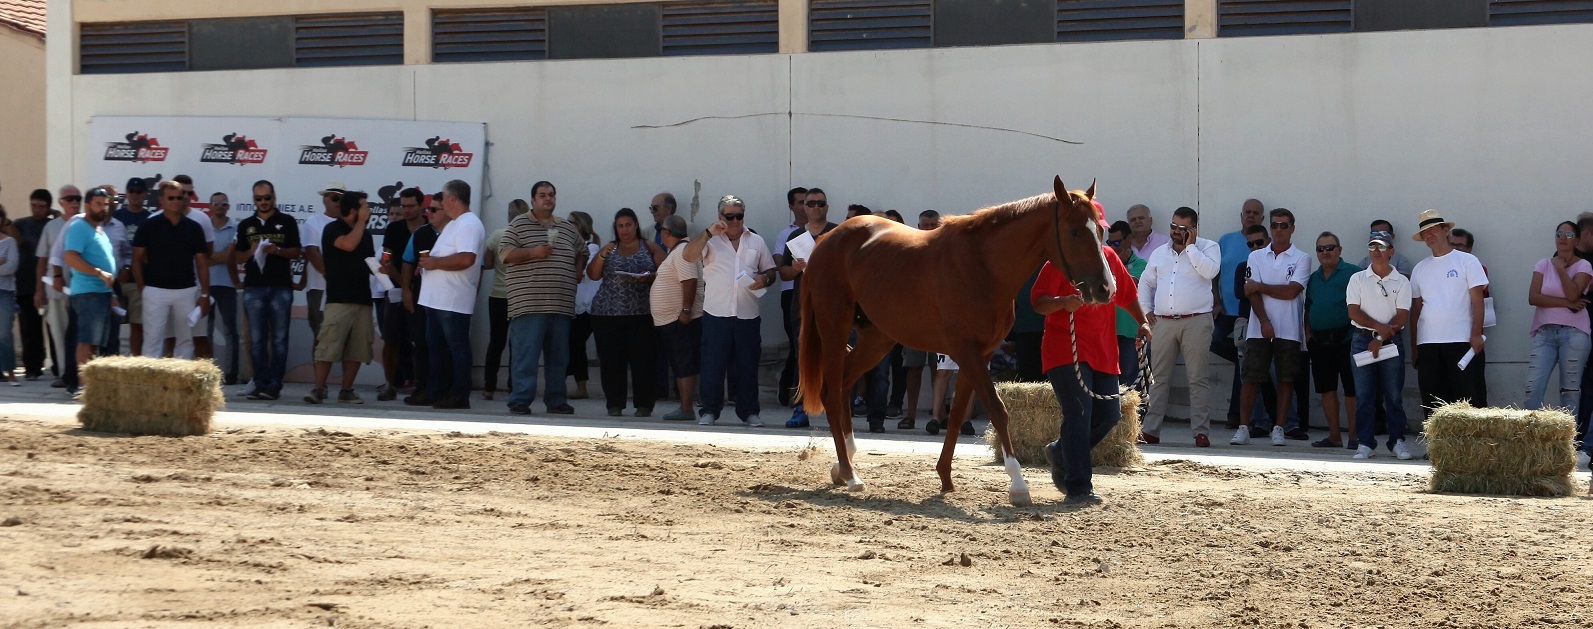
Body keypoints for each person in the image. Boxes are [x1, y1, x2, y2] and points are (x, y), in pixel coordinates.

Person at [1032, 211, 1147, 506]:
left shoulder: (1109, 257)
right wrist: (1062, 302)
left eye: (1099, 228)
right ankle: (1079, 486)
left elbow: (1127, 294)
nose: (1097, 233)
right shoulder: (1059, 261)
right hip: (1066, 350)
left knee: (1110, 415)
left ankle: (1061, 451)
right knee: (1079, 415)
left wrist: (1142, 321)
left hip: (1103, 351)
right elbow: (1038, 301)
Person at [683, 195, 776, 427]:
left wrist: (764, 279)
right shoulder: (710, 240)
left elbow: (771, 270)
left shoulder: (756, 240)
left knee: (747, 365)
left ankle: (749, 412)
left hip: (747, 314)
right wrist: (708, 233)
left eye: (739, 216)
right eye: (729, 216)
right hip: (717, 313)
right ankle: (709, 410)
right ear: (720, 216)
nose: (734, 221)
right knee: (712, 365)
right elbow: (688, 256)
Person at [1137, 206, 1221, 447]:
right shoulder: (1159, 253)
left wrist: (1191, 247)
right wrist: (1146, 310)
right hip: (1163, 322)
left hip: (1196, 321)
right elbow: (1146, 282)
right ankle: (1150, 431)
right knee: (1158, 379)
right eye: (1174, 226)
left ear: (1194, 229)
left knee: (1198, 379)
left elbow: (1210, 272)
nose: (1176, 231)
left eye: (1183, 228)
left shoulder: (1208, 247)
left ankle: (1201, 432)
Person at [500, 181, 585, 416]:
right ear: (533, 200)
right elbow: (504, 253)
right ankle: (520, 401)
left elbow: (583, 250)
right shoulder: (519, 224)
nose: (548, 198)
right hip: (529, 304)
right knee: (525, 357)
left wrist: (578, 270)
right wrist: (532, 252)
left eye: (551, 194)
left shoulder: (566, 227)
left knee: (558, 359)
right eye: (542, 195)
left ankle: (557, 400)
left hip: (561, 304)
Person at [1233, 209, 1310, 446]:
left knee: (1286, 379)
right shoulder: (1256, 257)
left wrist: (1261, 286)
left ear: (1292, 228)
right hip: (1258, 328)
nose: (1279, 230)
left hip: (1289, 328)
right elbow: (1250, 292)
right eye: (1275, 225)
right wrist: (1264, 321)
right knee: (1250, 378)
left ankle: (1279, 428)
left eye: (1284, 225)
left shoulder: (1302, 258)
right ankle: (1243, 428)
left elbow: (1291, 291)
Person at [1408, 209, 1489, 417]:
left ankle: (1473, 441)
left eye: (1433, 229)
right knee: (1433, 403)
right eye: (1425, 232)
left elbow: (1478, 301)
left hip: (1462, 341)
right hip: (1428, 344)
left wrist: (1476, 333)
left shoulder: (1467, 261)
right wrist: (1415, 347)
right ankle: (1436, 441)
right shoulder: (1419, 268)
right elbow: (1416, 310)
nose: (1429, 234)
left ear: (1446, 231)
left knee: (1469, 401)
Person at [587, 208, 665, 417]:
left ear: (636, 225)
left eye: (628, 225)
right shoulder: (609, 248)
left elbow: (666, 272)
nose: (625, 230)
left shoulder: (649, 247)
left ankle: (644, 405)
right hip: (607, 314)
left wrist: (648, 277)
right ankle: (614, 404)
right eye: (620, 226)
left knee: (644, 361)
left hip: (642, 313)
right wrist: (602, 255)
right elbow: (593, 274)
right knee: (611, 361)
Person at [417, 179, 485, 410]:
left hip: (453, 301)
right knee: (437, 348)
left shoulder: (468, 224)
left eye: (443, 197)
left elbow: (467, 258)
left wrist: (435, 263)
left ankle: (459, 394)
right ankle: (437, 391)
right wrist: (430, 263)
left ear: (453, 198)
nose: (441, 201)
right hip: (438, 299)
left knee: (456, 348)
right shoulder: (455, 224)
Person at [1345, 231, 1413, 460]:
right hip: (1362, 340)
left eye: (1382, 247)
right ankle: (1365, 443)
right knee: (1364, 395)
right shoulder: (1357, 279)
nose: (1376, 251)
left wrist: (1381, 338)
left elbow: (1402, 316)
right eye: (1372, 247)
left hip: (1390, 341)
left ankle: (1397, 441)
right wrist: (1377, 330)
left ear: (1391, 251)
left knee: (1393, 395)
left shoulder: (1402, 281)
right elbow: (1353, 312)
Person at [303, 191, 375, 404]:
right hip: (338, 298)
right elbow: (348, 244)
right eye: (364, 207)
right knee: (328, 345)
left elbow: (369, 261)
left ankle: (347, 390)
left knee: (357, 348)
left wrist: (383, 269)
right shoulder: (333, 229)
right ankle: (319, 388)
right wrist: (360, 223)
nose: (369, 210)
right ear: (353, 210)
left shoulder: (367, 235)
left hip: (363, 298)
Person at [234, 180, 302, 401]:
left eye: (267, 198)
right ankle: (260, 382)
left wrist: (277, 250)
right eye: (259, 198)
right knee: (256, 340)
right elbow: (237, 258)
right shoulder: (245, 225)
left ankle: (274, 385)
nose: (263, 202)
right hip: (254, 287)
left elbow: (297, 252)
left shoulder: (287, 221)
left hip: (281, 286)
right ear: (253, 200)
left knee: (279, 339)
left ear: (274, 197)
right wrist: (250, 252)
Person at [778, 187, 839, 429]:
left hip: (834, 310)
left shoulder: (837, 233)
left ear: (827, 206)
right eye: (811, 203)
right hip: (802, 308)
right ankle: (800, 408)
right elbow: (783, 272)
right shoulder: (795, 237)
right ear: (804, 207)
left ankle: (837, 409)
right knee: (802, 359)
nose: (816, 207)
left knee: (835, 359)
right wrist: (794, 268)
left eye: (820, 203)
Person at [132, 180, 210, 359]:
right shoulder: (148, 225)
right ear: (161, 199)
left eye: (179, 198)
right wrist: (142, 287)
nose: (175, 201)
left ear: (184, 199)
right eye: (171, 198)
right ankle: (150, 376)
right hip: (155, 290)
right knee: (152, 339)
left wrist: (205, 294)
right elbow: (136, 259)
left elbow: (202, 262)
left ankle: (180, 376)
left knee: (186, 339)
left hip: (186, 290)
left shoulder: (194, 227)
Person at [1524, 221, 1592, 413]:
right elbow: (1533, 298)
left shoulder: (1584, 265)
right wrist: (1567, 304)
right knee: (1532, 389)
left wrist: (1561, 269)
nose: (1563, 238)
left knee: (1570, 391)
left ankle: (1568, 433)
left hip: (1574, 333)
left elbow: (1573, 294)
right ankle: (1531, 431)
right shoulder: (1543, 264)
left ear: (1577, 240)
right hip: (1545, 332)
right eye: (1559, 234)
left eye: (1569, 235)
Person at [1304, 232, 1360, 448]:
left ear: (1339, 250)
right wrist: (1308, 335)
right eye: (1320, 249)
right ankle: (1335, 436)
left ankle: (1354, 436)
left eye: (1329, 248)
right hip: (1319, 342)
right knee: (1326, 388)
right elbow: (1308, 307)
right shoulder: (1313, 278)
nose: (1325, 252)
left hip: (1348, 339)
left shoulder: (1354, 273)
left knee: (1352, 389)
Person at [1215, 199, 1265, 427]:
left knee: (1243, 359)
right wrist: (1216, 302)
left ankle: (1235, 415)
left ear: (1262, 218)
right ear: (1241, 215)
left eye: (1255, 213)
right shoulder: (1226, 240)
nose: (1251, 215)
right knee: (1214, 340)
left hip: (1251, 313)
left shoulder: (1263, 243)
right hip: (1226, 312)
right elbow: (1214, 274)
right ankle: (1241, 358)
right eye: (1247, 212)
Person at [61, 186, 119, 377]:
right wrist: (99, 273)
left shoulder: (99, 229)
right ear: (87, 205)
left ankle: (90, 385)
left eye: (105, 204)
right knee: (87, 341)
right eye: (98, 204)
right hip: (87, 293)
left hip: (102, 292)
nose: (103, 208)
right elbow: (70, 257)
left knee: (94, 342)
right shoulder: (79, 227)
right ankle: (83, 385)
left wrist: (111, 293)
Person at [651, 215, 703, 422]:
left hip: (680, 320)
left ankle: (686, 407)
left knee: (684, 363)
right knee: (680, 363)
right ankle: (684, 406)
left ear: (667, 233)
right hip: (673, 320)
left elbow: (689, 281)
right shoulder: (680, 251)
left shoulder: (682, 252)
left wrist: (686, 310)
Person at [376, 188, 425, 401]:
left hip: (425, 292)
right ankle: (390, 383)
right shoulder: (394, 229)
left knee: (422, 340)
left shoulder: (430, 227)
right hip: (396, 289)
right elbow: (386, 257)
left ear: (421, 205)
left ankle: (421, 384)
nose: (406, 210)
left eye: (410, 206)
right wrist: (398, 278)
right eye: (403, 206)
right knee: (391, 338)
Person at [401, 194, 449, 405]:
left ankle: (446, 390)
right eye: (429, 209)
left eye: (434, 210)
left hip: (450, 298)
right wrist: (406, 291)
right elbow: (407, 262)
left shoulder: (460, 232)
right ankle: (422, 389)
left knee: (447, 345)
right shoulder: (420, 233)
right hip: (423, 297)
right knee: (421, 342)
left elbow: (478, 264)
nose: (429, 214)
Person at [482, 199, 531, 401]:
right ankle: (514, 387)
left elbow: (487, 263)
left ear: (509, 215)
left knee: (496, 342)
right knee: (517, 345)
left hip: (498, 295)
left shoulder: (497, 235)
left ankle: (489, 387)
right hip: (520, 296)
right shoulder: (529, 239)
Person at [35, 186, 80, 387]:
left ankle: (80, 374)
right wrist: (39, 290)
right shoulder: (51, 227)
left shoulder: (85, 223)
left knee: (80, 335)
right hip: (56, 288)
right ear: (61, 202)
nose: (74, 202)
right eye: (70, 198)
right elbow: (42, 260)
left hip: (81, 288)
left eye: (78, 198)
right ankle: (64, 374)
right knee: (59, 334)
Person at [299, 182, 345, 343]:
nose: (338, 202)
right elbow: (312, 253)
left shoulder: (350, 224)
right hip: (319, 287)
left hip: (344, 289)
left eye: (342, 199)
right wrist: (331, 277)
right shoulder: (313, 222)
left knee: (343, 337)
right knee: (320, 336)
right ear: (325, 199)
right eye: (334, 198)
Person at [112, 177, 153, 356]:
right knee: (113, 324)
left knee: (138, 325)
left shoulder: (150, 218)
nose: (135, 195)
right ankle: (112, 363)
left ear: (145, 194)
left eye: (139, 192)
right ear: (126, 194)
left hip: (140, 280)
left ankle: (136, 362)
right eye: (131, 191)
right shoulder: (116, 217)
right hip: (116, 280)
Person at [12, 190, 51, 379]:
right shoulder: (20, 224)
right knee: (29, 329)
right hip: (25, 284)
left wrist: (57, 215)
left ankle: (59, 368)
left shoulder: (53, 225)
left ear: (49, 207)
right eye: (34, 205)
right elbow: (13, 238)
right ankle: (32, 368)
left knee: (54, 328)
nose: (37, 210)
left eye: (41, 206)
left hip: (50, 283)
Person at [775, 187, 807, 407]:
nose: (806, 207)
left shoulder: (824, 231)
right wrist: (795, 267)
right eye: (801, 202)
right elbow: (780, 263)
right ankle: (790, 388)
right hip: (791, 293)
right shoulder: (785, 234)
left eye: (809, 202)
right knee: (796, 343)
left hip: (816, 292)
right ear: (791, 206)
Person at [1106, 221, 1147, 386]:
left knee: (1129, 381)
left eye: (1117, 243)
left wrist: (1119, 266)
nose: (1113, 247)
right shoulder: (1104, 265)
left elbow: (1129, 286)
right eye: (1109, 243)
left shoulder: (1142, 265)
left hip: (1130, 332)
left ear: (1129, 239)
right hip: (1107, 331)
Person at [207, 193, 241, 384]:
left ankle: (231, 374)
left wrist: (214, 257)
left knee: (231, 330)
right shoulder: (204, 228)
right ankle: (208, 372)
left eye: (223, 203)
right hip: (206, 284)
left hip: (228, 285)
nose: (220, 206)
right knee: (206, 330)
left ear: (228, 207)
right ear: (211, 206)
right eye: (216, 203)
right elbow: (201, 257)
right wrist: (224, 255)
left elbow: (232, 256)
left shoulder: (236, 228)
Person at [568, 210, 599, 400]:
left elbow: (583, 273)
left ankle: (582, 386)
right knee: (573, 344)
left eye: (569, 222)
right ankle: (578, 383)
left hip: (588, 306)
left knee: (576, 343)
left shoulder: (592, 247)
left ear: (578, 226)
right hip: (574, 306)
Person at [0, 210, 19, 385]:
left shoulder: (9, 242)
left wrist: (4, 263)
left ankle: (10, 372)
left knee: (4, 333)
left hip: (4, 292)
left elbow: (11, 267)